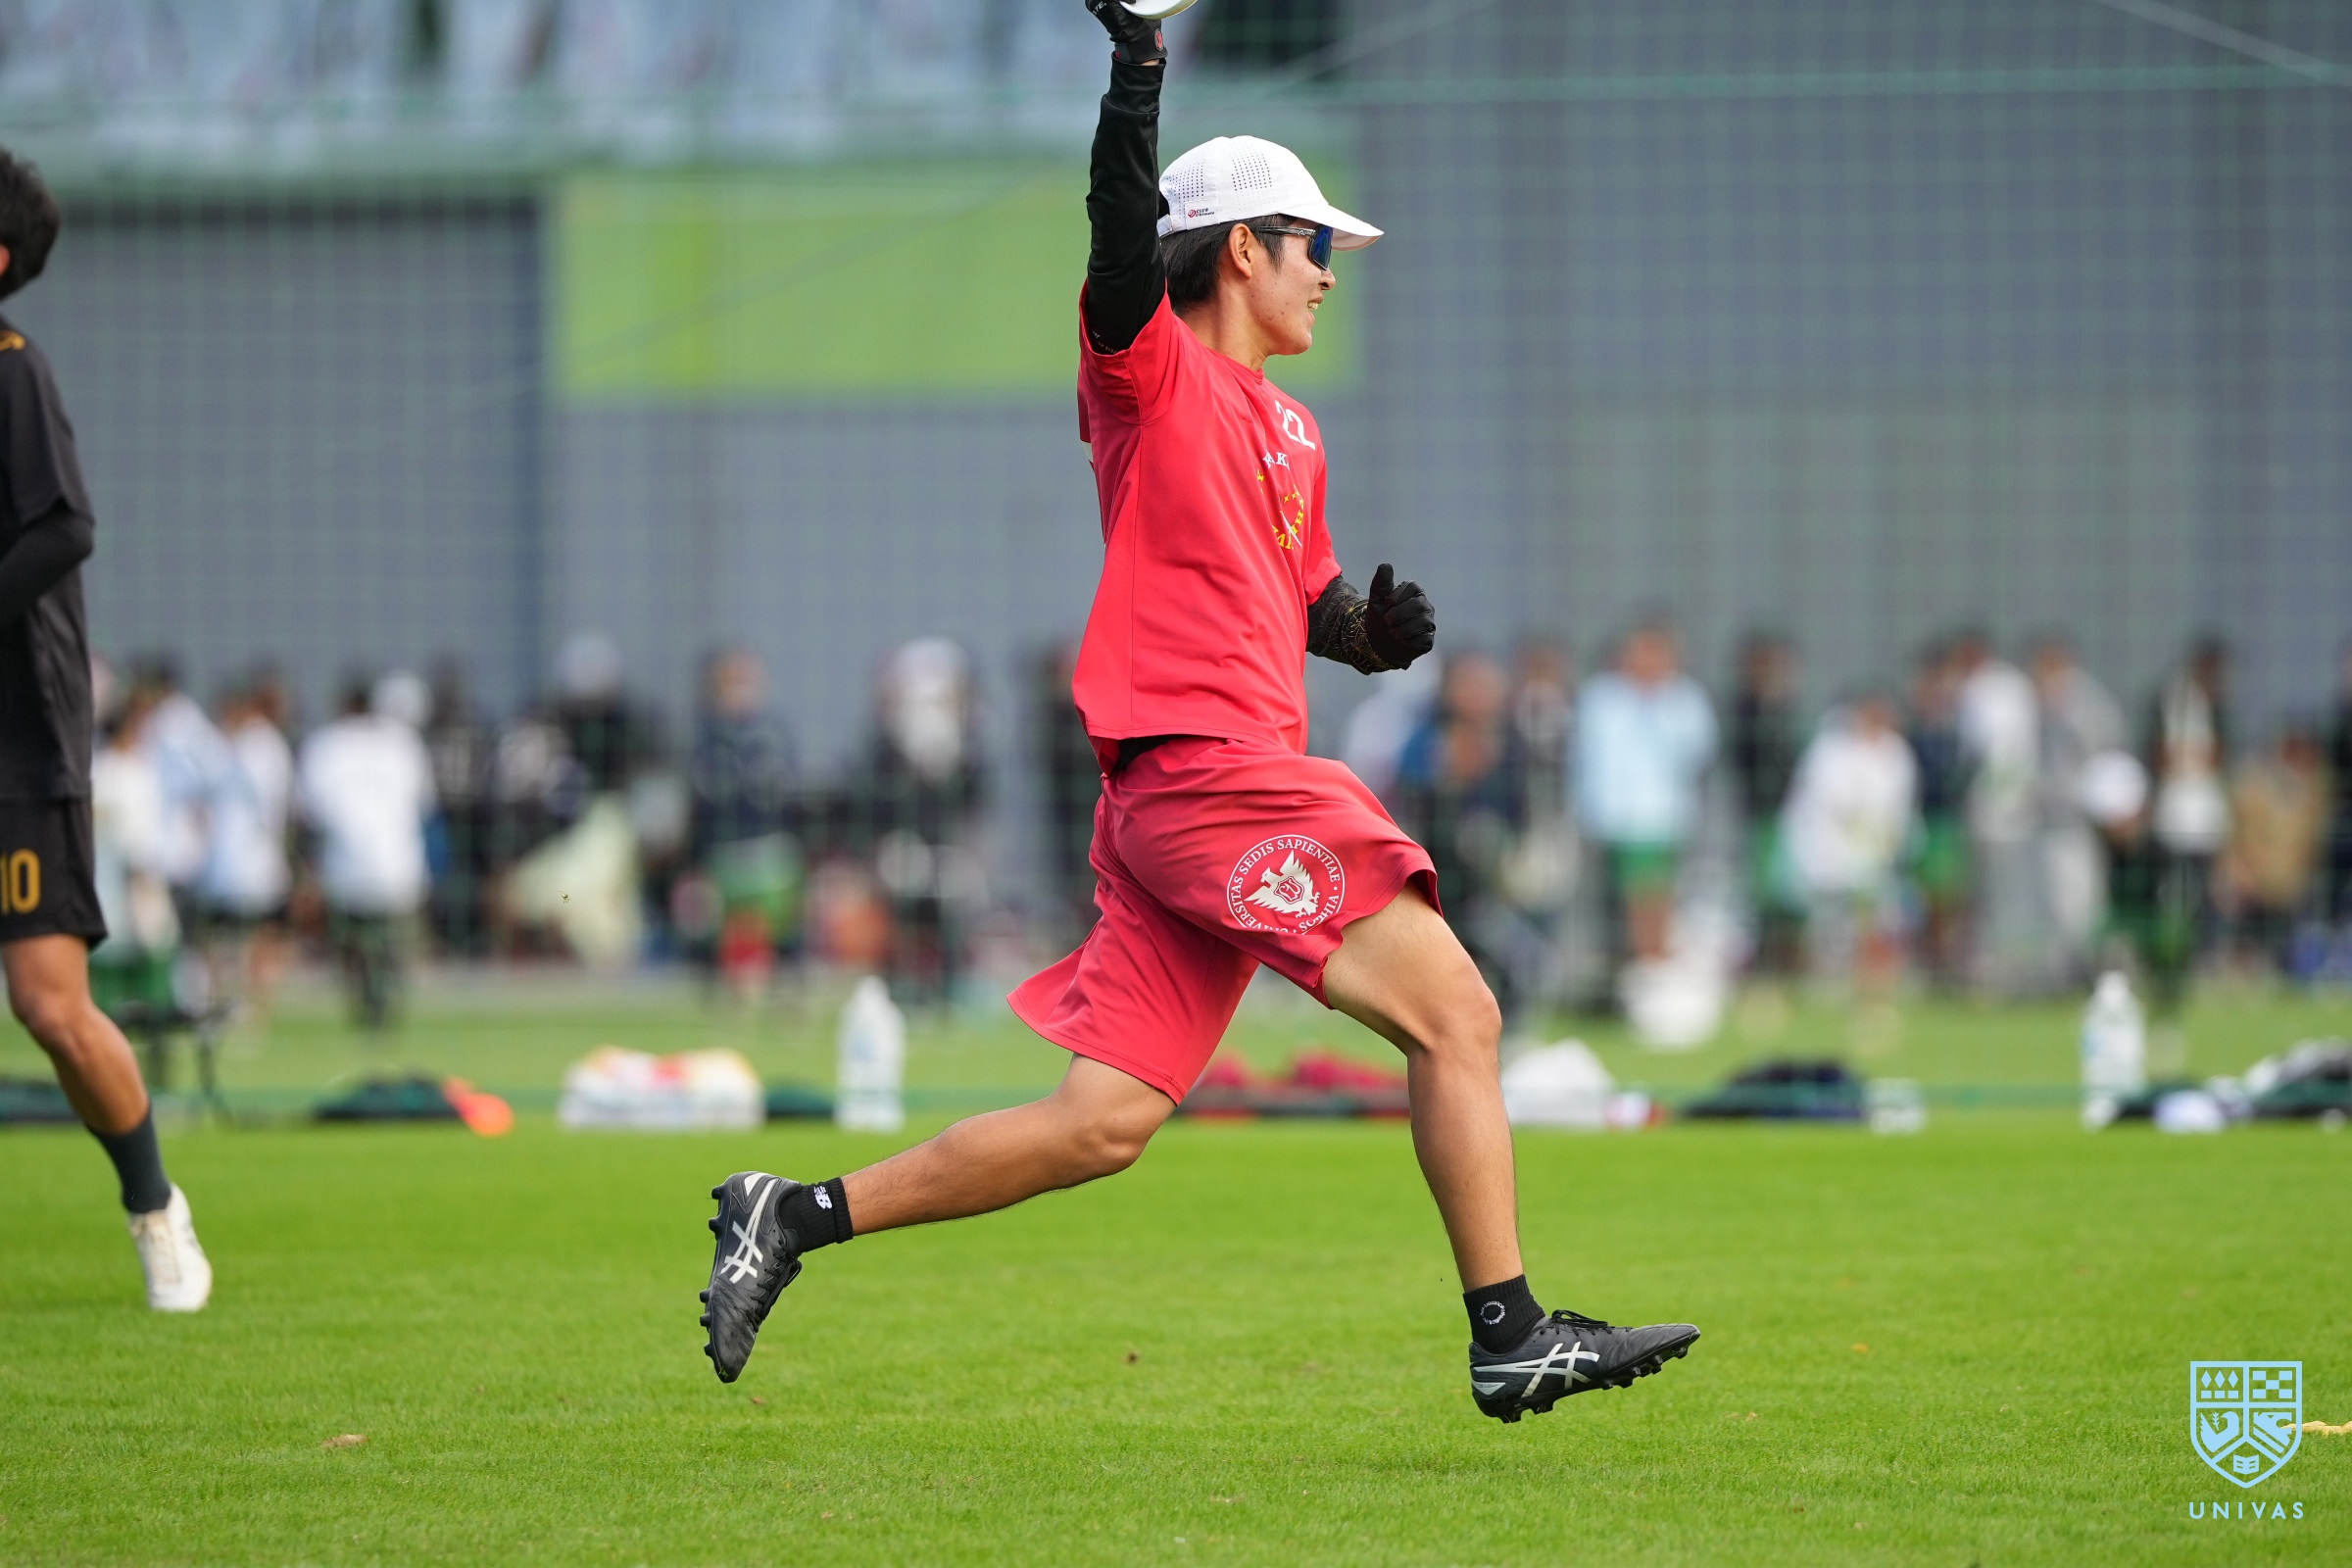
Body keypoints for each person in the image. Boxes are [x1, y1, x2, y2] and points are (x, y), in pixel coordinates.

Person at [697, 3, 1698, 1422]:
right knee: (1461, 1011)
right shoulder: (1149, 369)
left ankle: (789, 1214)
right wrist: (1139, 64)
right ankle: (1511, 1331)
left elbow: (1307, 600)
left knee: (1099, 1124)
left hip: (1188, 799)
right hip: (1208, 782)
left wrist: (1370, 634)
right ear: (1241, 249)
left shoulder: (1293, 426)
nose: (1330, 273)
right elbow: (1118, 239)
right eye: (1314, 244)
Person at [0, 149, 209, 1309]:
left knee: (49, 1008)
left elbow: (66, 527)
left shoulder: (13, 371)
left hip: (19, 745)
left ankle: (155, 1206)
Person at [1576, 616, 1717, 972]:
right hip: (1617, 819)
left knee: (1654, 893)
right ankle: (1644, 963)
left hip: (1665, 817)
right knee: (1630, 899)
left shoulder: (1685, 699)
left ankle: (1653, 963)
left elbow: (1698, 753)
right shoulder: (1603, 698)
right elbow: (1591, 761)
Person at [296, 674, 435, 1032]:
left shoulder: (325, 745)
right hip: (399, 864)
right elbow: (424, 804)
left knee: (353, 945)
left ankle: (367, 1007)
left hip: (345, 867)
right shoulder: (403, 743)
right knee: (393, 943)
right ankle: (386, 1004)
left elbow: (310, 811)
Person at [1781, 692, 1917, 995]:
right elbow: (1829, 799)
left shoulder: (1896, 752)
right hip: (1830, 851)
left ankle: (1871, 981)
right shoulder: (1831, 749)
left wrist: (1887, 838)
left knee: (1877, 918)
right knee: (1828, 921)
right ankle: (1822, 979)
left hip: (1877, 852)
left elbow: (1900, 805)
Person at [686, 645, 799, 994]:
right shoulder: (704, 741)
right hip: (722, 858)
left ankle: (783, 979)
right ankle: (724, 982)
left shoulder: (773, 736)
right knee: (709, 916)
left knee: (780, 917)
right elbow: (697, 814)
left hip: (768, 854)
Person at [2029, 634, 2124, 975]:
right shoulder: (2040, 705)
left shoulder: (2088, 707)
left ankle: (2087, 966)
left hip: (2081, 821)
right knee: (2057, 900)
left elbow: (2107, 761)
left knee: (2080, 900)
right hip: (2050, 819)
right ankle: (2069, 966)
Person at [2221, 724, 2328, 972]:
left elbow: (2311, 844)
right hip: (2253, 878)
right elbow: (2241, 835)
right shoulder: (2254, 788)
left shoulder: (2315, 793)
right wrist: (2246, 869)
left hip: (2291, 884)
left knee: (2289, 934)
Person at [1728, 632, 1804, 975]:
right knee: (1765, 893)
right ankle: (1763, 963)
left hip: (1796, 818)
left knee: (1793, 894)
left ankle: (1790, 964)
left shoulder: (1788, 709)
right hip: (1763, 815)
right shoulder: (1746, 711)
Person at [1905, 640, 1974, 988]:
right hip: (1925, 824)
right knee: (1927, 902)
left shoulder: (1963, 725)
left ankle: (1951, 967)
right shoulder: (1915, 729)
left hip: (1953, 824)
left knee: (1954, 902)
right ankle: (1930, 968)